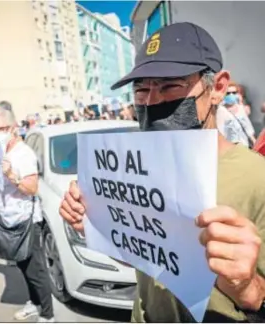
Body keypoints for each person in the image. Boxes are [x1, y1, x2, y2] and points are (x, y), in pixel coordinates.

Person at [59, 22, 265, 322]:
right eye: (141, 89)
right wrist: (99, 225)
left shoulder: (258, 179)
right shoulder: (137, 170)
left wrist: (249, 289)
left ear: (218, 88)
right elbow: (144, 262)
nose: (152, 101)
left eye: (170, 85)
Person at [0, 110, 54, 322]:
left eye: (0, 129)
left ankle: (48, 315)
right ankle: (34, 304)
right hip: (8, 219)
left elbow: (32, 188)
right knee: (22, 267)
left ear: (12, 128)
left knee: (36, 270)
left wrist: (11, 175)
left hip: (26, 221)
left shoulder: (23, 154)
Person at [217, 82, 256, 148]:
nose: (231, 95)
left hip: (245, 146)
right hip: (231, 150)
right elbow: (220, 132)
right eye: (228, 93)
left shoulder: (240, 108)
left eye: (234, 93)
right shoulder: (221, 111)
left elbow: (247, 127)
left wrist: (254, 141)